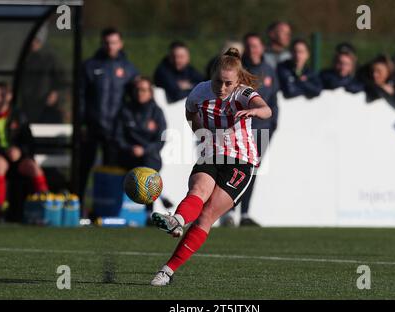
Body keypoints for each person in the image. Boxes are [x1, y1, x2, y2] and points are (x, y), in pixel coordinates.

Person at [149, 48, 272, 286]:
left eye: (228, 83)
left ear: (237, 81)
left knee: (206, 216)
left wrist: (255, 111)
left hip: (241, 162)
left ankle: (167, 271)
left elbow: (267, 110)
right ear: (212, 74)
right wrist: (200, 131)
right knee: (197, 192)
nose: (222, 88)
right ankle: (177, 220)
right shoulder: (200, 90)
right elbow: (190, 112)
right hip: (212, 154)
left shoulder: (243, 93)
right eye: (218, 81)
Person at [222, 33, 279, 227]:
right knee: (232, 169)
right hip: (239, 129)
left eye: (256, 45)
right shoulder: (238, 69)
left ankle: (245, 213)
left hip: (262, 130)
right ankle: (228, 212)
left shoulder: (269, 70)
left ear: (262, 47)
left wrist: (273, 125)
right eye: (249, 46)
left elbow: (273, 102)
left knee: (252, 171)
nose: (253, 49)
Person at [79, 27, 139, 208]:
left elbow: (136, 100)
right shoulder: (89, 66)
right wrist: (81, 124)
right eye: (107, 42)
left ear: (120, 44)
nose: (110, 46)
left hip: (114, 130)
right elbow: (80, 97)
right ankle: (77, 206)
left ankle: (105, 209)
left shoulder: (129, 69)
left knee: (111, 172)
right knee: (82, 169)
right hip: (91, 127)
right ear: (102, 43)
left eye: (113, 42)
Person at [0, 82, 49, 218]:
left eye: (2, 95)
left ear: (9, 96)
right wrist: (3, 152)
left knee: (34, 168)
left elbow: (29, 141)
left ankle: (46, 203)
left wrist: (19, 151)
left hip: (18, 160)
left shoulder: (19, 115)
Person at [111, 76, 167, 214]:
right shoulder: (125, 111)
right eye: (137, 90)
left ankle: (149, 212)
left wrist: (144, 150)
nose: (140, 93)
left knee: (148, 169)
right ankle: (119, 212)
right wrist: (130, 148)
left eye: (144, 90)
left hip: (149, 157)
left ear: (150, 92)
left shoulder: (156, 112)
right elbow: (117, 136)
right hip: (128, 155)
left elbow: (161, 139)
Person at [19, 25, 67, 123]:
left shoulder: (51, 58)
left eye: (37, 40)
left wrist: (56, 95)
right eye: (31, 40)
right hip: (25, 110)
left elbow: (65, 83)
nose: (33, 43)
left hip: (46, 112)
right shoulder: (21, 58)